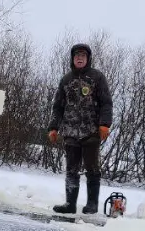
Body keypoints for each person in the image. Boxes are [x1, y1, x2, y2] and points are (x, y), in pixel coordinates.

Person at [47, 43, 113, 214]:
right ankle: (70, 204)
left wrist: (105, 124)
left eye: (83, 55)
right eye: (77, 55)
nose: (80, 58)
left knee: (92, 167)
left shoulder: (97, 77)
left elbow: (106, 103)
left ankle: (92, 204)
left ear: (88, 58)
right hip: (70, 131)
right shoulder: (66, 80)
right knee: (71, 169)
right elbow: (57, 106)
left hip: (91, 130)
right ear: (72, 58)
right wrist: (53, 127)